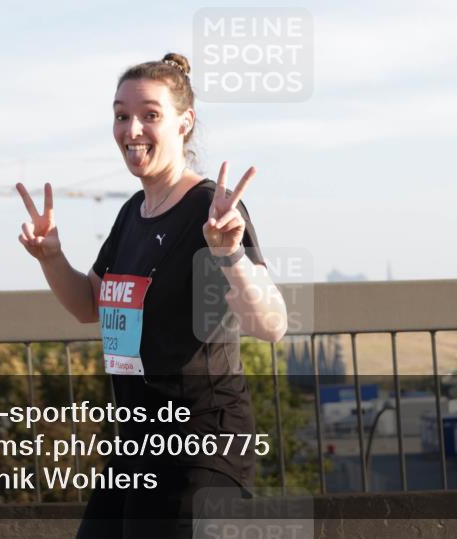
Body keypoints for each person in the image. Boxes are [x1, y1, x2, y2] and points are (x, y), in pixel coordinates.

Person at [16, 52, 288, 538]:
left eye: (150, 115)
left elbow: (271, 325)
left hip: (202, 444)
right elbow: (88, 306)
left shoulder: (209, 208)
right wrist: (51, 258)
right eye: (122, 116)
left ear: (185, 123)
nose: (132, 129)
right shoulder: (132, 215)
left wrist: (229, 256)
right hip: (139, 441)